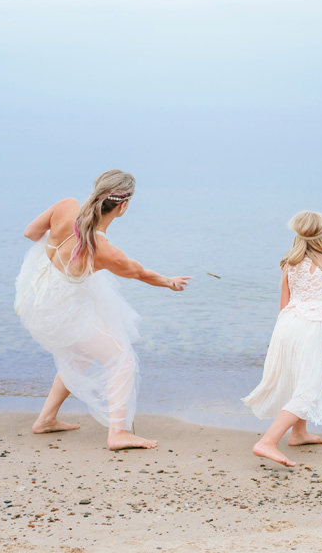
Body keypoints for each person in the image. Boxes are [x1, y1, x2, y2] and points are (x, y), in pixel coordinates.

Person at [14, 170, 191, 451]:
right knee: (122, 359)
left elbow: (30, 233)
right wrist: (169, 283)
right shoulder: (104, 249)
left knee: (79, 355)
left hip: (38, 299)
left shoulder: (66, 206)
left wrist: (62, 242)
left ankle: (45, 420)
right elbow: (140, 273)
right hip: (63, 312)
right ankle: (117, 433)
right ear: (123, 207)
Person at [242, 211, 322, 467]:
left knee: (296, 377)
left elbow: (284, 301)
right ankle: (267, 442)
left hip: (286, 323)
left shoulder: (290, 261)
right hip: (308, 326)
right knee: (311, 386)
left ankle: (299, 433)